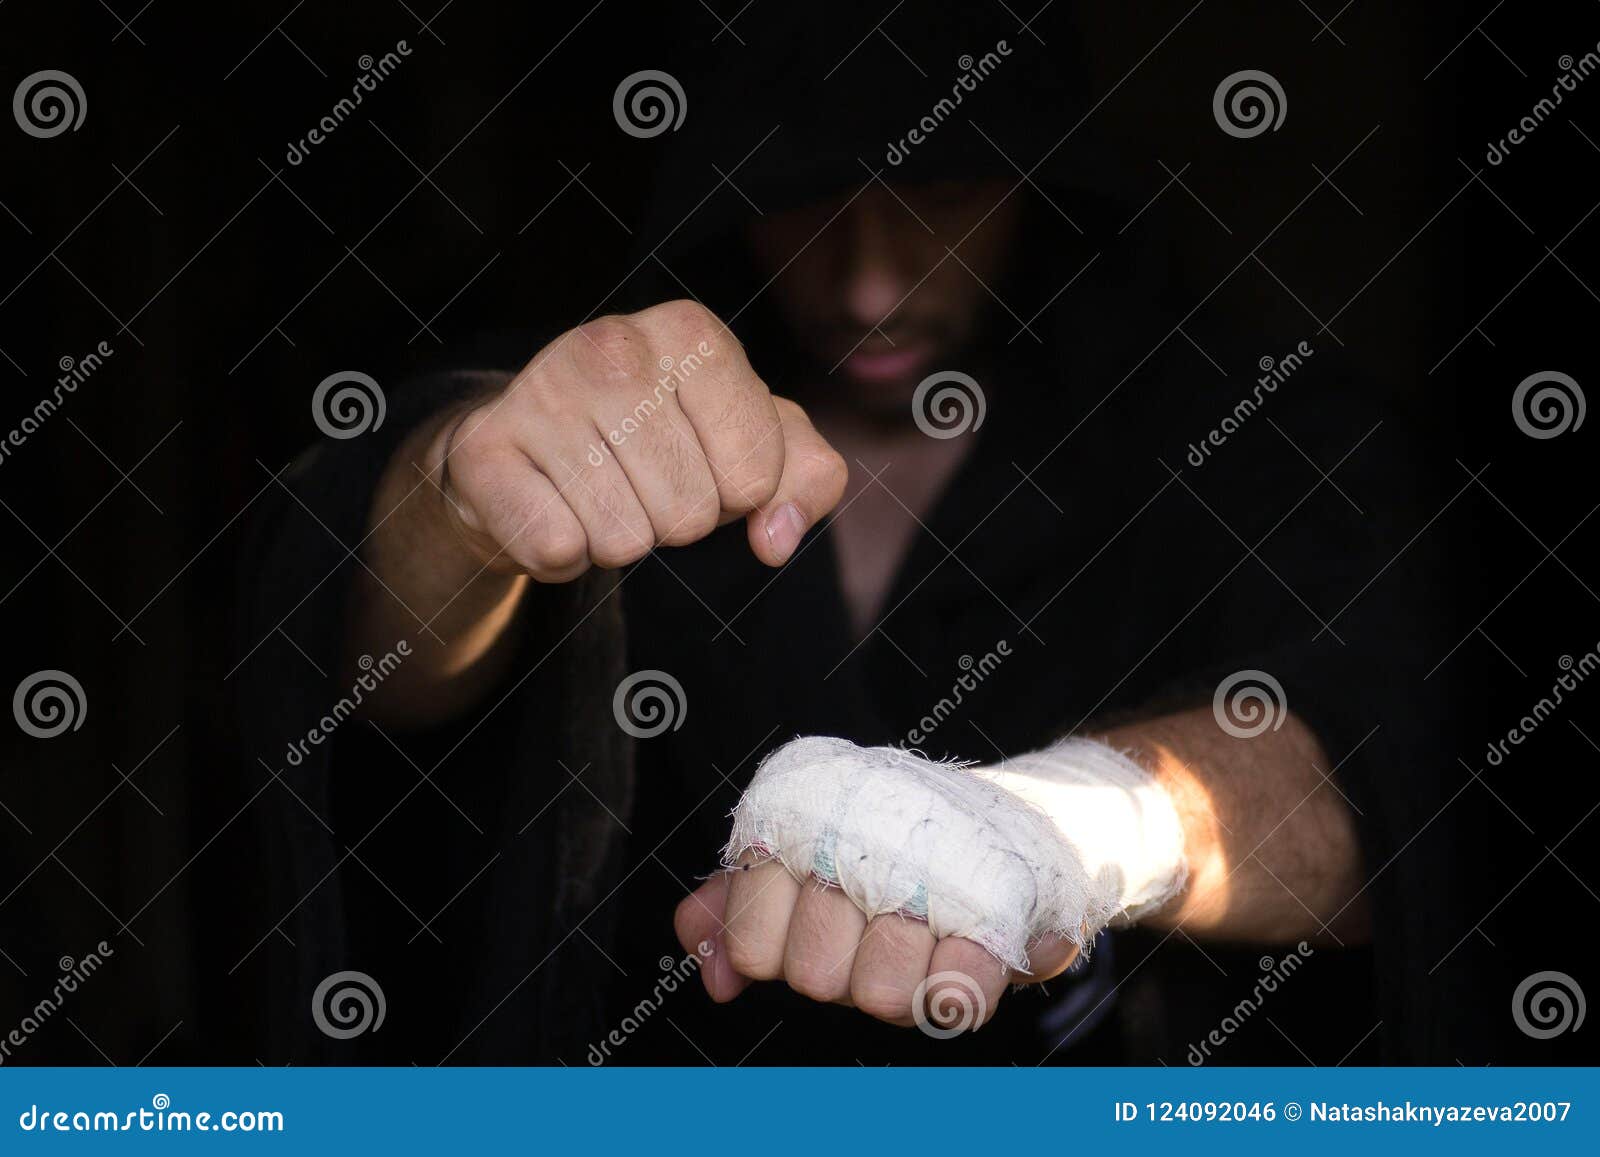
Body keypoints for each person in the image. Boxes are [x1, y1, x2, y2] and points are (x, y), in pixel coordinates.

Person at [239, 6, 1465, 1065]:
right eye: (806, 201)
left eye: (936, 195)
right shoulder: (603, 387)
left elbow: (1386, 770)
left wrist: (1058, 830)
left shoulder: (1246, 424)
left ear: (1038, 174)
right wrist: (457, 496)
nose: (871, 282)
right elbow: (351, 655)